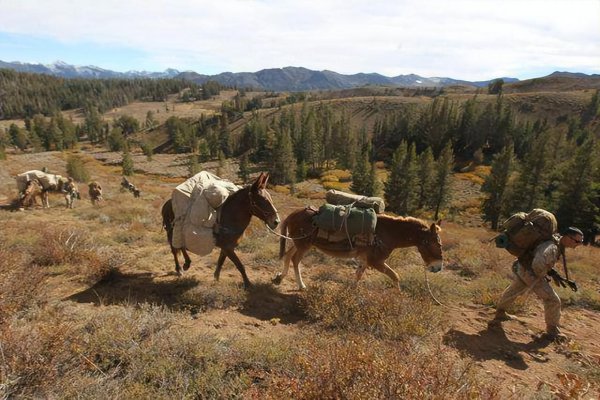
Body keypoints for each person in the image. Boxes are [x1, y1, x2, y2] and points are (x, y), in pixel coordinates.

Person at [489, 227, 584, 342]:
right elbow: (538, 263)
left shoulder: (556, 242)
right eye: (577, 241)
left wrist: (555, 275)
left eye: (581, 242)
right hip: (530, 273)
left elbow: (542, 260)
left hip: (523, 267)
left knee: (515, 289)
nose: (578, 244)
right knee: (553, 300)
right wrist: (540, 276)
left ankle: (500, 312)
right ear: (568, 237)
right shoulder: (552, 247)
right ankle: (552, 331)